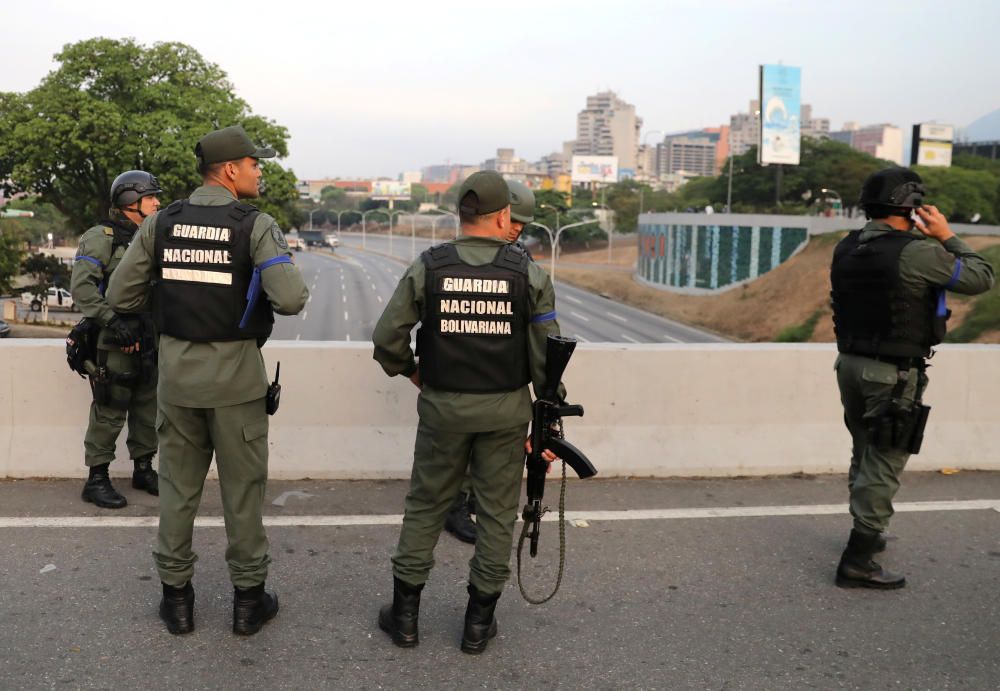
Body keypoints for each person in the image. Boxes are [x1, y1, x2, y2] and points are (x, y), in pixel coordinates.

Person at [107, 125, 309, 635]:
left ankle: (177, 602)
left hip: (176, 383)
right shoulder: (255, 224)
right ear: (229, 170)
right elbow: (291, 299)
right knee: (242, 493)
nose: (259, 170)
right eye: (253, 163)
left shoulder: (163, 222)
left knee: (177, 491)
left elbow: (120, 294)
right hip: (236, 385)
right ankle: (247, 603)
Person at [373, 170, 562, 654]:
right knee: (497, 515)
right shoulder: (528, 274)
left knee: (426, 506)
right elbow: (546, 357)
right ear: (502, 215)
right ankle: (478, 625)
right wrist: (548, 413)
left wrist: (412, 372)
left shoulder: (429, 266)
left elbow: (386, 339)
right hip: (504, 412)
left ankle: (406, 619)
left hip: (442, 408)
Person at [830, 167, 994, 589]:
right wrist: (945, 235)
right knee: (884, 460)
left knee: (865, 451)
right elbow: (980, 277)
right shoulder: (917, 252)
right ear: (913, 206)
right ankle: (858, 558)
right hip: (892, 373)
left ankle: (866, 531)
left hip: (849, 365)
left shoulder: (847, 247)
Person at [443, 178, 537, 544]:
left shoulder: (521, 262)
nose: (516, 229)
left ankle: (480, 503)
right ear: (498, 213)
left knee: (494, 457)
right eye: (513, 219)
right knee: (458, 455)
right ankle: (456, 505)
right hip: (460, 373)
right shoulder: (449, 257)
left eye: (523, 225)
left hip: (502, 373)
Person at [71, 170, 162, 508]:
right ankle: (96, 479)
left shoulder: (152, 236)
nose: (157, 202)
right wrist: (113, 321)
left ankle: (144, 469)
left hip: (148, 337)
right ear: (130, 201)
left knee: (147, 406)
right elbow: (82, 289)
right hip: (114, 339)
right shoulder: (101, 236)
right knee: (110, 408)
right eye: (151, 197)